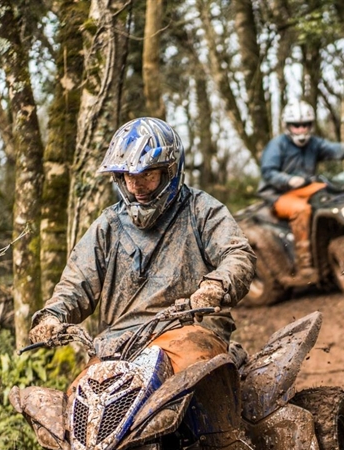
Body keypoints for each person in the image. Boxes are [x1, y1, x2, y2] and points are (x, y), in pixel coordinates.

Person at [28, 117, 255, 373]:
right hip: (119, 344)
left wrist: (217, 285)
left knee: (185, 379)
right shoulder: (108, 225)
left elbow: (238, 253)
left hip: (189, 328)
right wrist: (52, 315)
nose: (136, 185)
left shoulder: (201, 210)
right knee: (80, 397)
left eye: (146, 174)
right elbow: (76, 282)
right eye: (127, 176)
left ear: (170, 171)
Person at [258, 100, 344, 274]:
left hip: (306, 188)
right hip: (279, 195)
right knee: (301, 211)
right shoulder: (277, 145)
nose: (301, 129)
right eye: (296, 126)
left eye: (305, 125)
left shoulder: (314, 144)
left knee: (335, 194)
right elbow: (268, 172)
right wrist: (288, 180)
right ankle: (305, 262)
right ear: (287, 126)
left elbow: (333, 149)